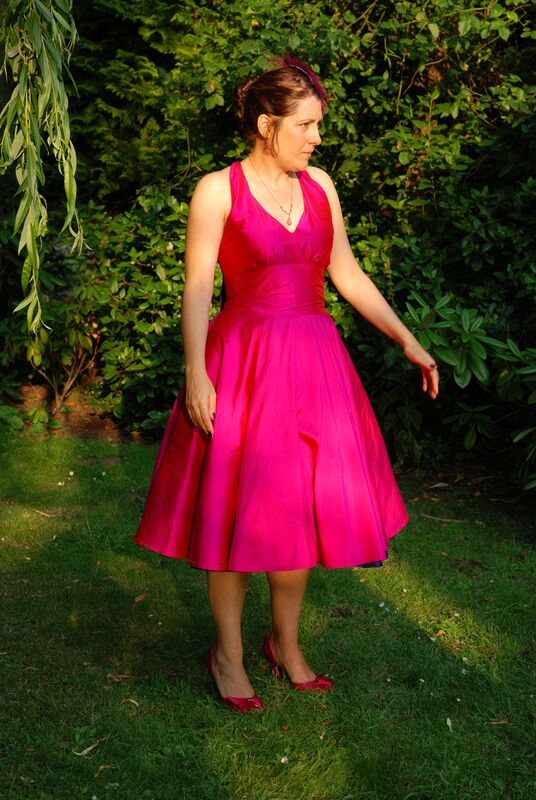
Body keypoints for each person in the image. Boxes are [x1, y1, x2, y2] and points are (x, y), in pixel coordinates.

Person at [134, 54, 439, 714]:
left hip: (314, 367)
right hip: (242, 367)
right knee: (231, 514)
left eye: (319, 125)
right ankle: (228, 655)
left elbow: (346, 273)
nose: (317, 138)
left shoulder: (321, 186)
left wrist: (406, 338)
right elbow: (197, 288)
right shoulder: (217, 191)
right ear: (267, 124)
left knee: (298, 510)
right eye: (306, 125)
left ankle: (286, 645)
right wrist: (196, 372)